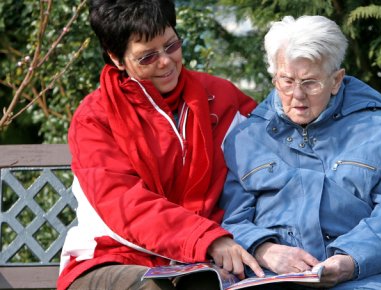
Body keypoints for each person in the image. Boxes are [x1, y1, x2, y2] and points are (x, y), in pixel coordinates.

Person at [57, 0, 264, 289]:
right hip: (113, 258)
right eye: (147, 57)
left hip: (200, 260)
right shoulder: (94, 118)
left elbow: (272, 160)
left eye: (171, 46)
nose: (165, 62)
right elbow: (124, 205)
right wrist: (206, 238)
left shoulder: (222, 96)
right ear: (116, 58)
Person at [220, 15, 381, 290]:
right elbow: (231, 219)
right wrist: (265, 250)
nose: (297, 95)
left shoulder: (378, 130)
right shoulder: (247, 137)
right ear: (274, 78)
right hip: (272, 276)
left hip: (367, 276)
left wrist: (351, 259)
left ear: (336, 80)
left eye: (310, 82)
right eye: (287, 81)